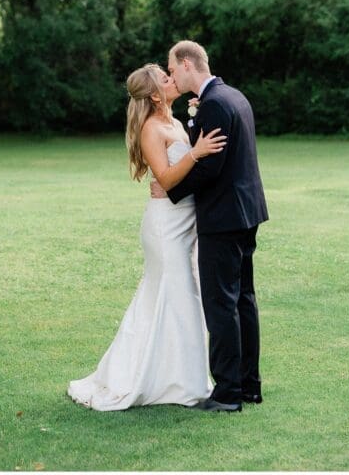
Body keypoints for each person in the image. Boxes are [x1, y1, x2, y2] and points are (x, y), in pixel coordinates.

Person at [67, 63, 227, 411]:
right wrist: (197, 152)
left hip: (186, 223)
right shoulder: (151, 128)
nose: (173, 80)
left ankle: (176, 378)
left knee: (174, 299)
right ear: (155, 94)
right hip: (165, 227)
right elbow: (167, 180)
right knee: (178, 296)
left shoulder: (175, 121)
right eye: (166, 79)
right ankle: (181, 385)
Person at [153, 40, 269, 413]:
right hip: (246, 212)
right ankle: (249, 385)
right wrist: (194, 119)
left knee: (220, 303)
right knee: (243, 300)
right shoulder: (232, 96)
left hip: (222, 218)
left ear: (187, 64)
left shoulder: (215, 104)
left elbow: (209, 166)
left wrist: (170, 187)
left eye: (172, 70)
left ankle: (227, 393)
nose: (171, 76)